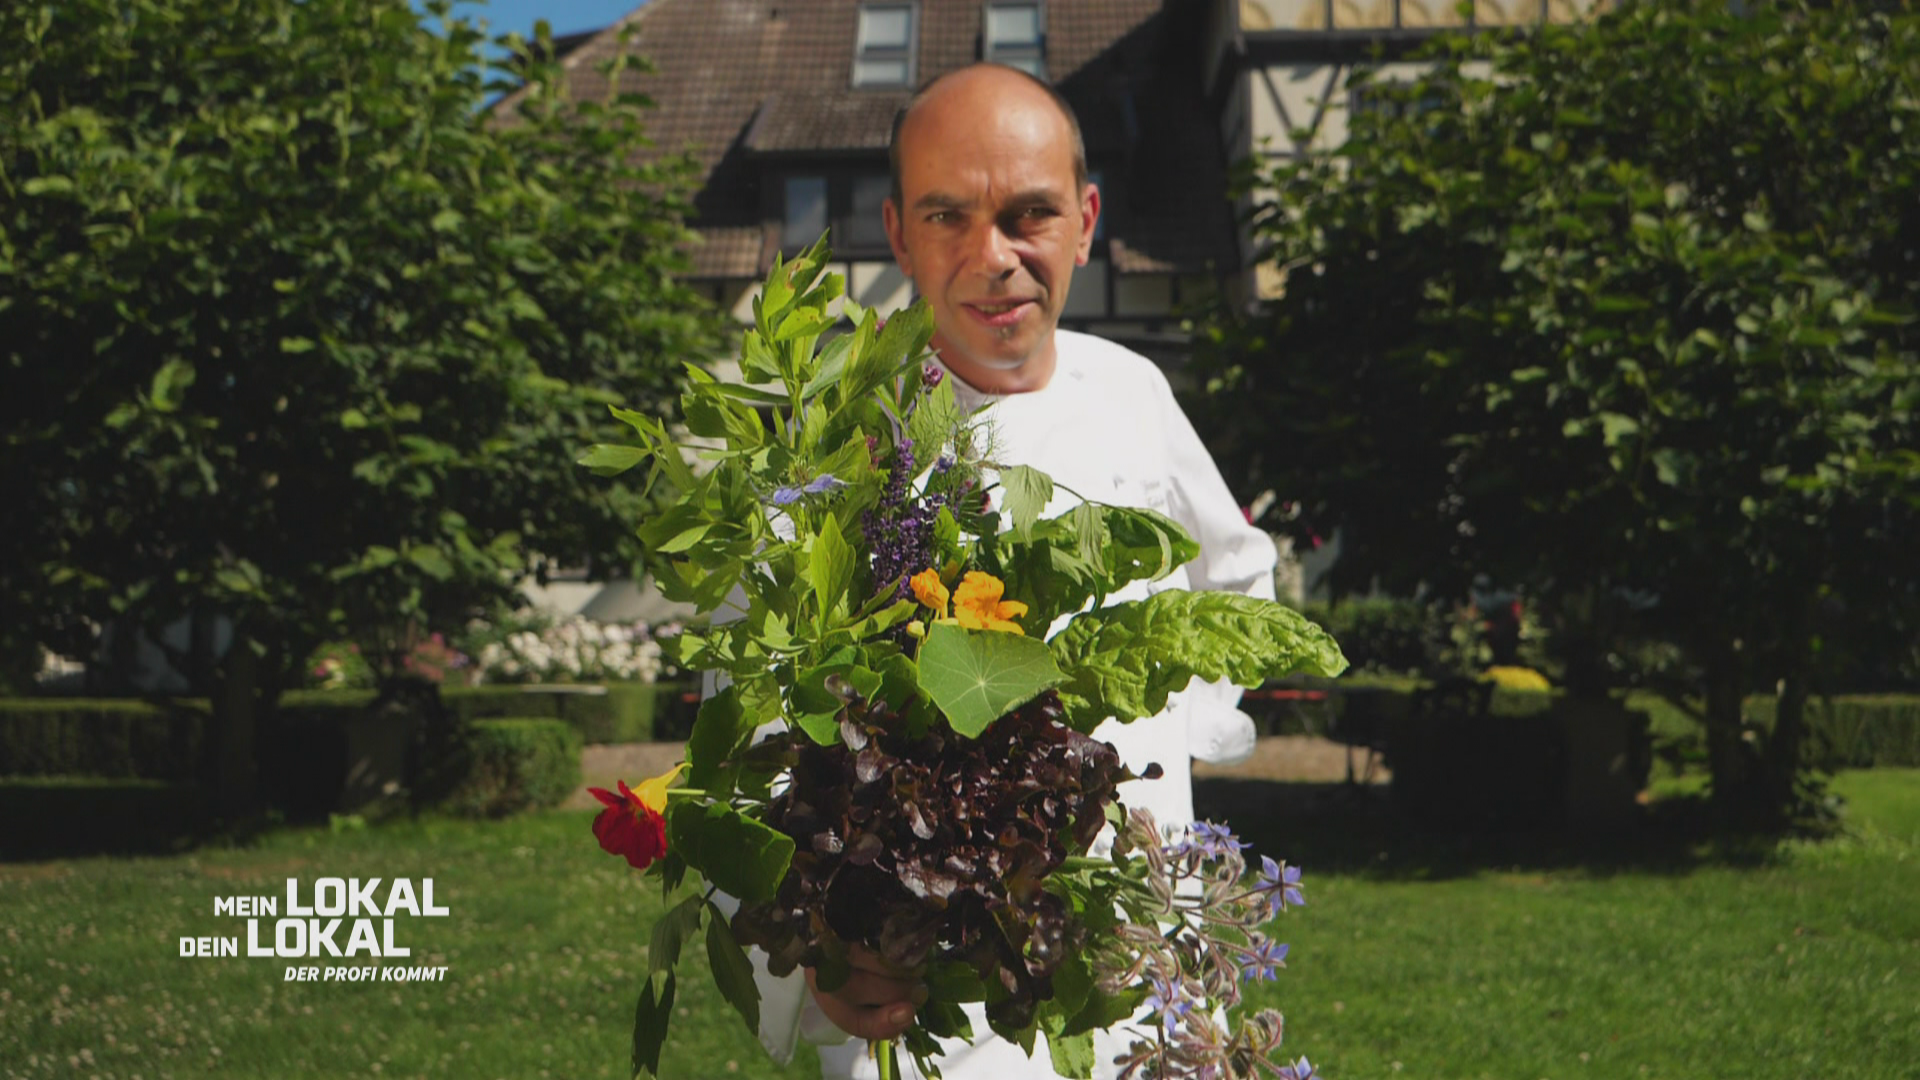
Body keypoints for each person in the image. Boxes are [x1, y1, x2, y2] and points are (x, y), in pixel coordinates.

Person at [744, 63, 1279, 1080]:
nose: (996, 258)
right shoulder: (843, 444)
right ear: (899, 232)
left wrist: (1178, 741)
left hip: (1139, 948)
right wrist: (821, 953)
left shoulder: (1133, 388)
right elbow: (762, 728)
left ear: (1086, 221)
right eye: (951, 215)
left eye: (1030, 215)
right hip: (936, 994)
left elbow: (1238, 572)